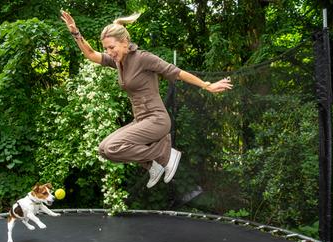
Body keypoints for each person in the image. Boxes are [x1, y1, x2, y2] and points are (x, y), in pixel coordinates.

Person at [61, 11, 232, 188]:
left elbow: (176, 72)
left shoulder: (143, 58)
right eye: (106, 48)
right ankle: (153, 165)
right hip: (141, 120)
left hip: (156, 119)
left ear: (125, 43)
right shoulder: (118, 62)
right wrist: (76, 33)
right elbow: (91, 55)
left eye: (112, 47)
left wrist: (207, 85)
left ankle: (166, 153)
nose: (109, 52)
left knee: (113, 147)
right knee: (104, 149)